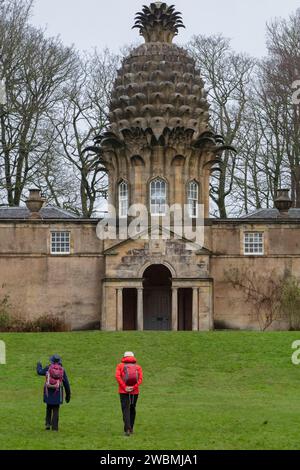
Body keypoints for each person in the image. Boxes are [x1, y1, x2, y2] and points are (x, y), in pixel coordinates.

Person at [36, 354, 71, 431]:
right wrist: (68, 396)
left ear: (51, 361)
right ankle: (55, 428)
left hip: (48, 391)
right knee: (56, 409)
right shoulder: (62, 370)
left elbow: (39, 372)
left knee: (49, 407)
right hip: (58, 392)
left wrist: (39, 365)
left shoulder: (48, 368)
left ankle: (48, 424)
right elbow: (66, 384)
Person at [115, 351, 143, 437]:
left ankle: (127, 429)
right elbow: (140, 379)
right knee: (132, 408)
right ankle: (131, 428)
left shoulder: (120, 366)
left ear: (124, 357)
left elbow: (117, 376)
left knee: (125, 409)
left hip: (123, 392)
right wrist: (133, 387)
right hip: (135, 392)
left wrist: (125, 387)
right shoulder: (138, 367)